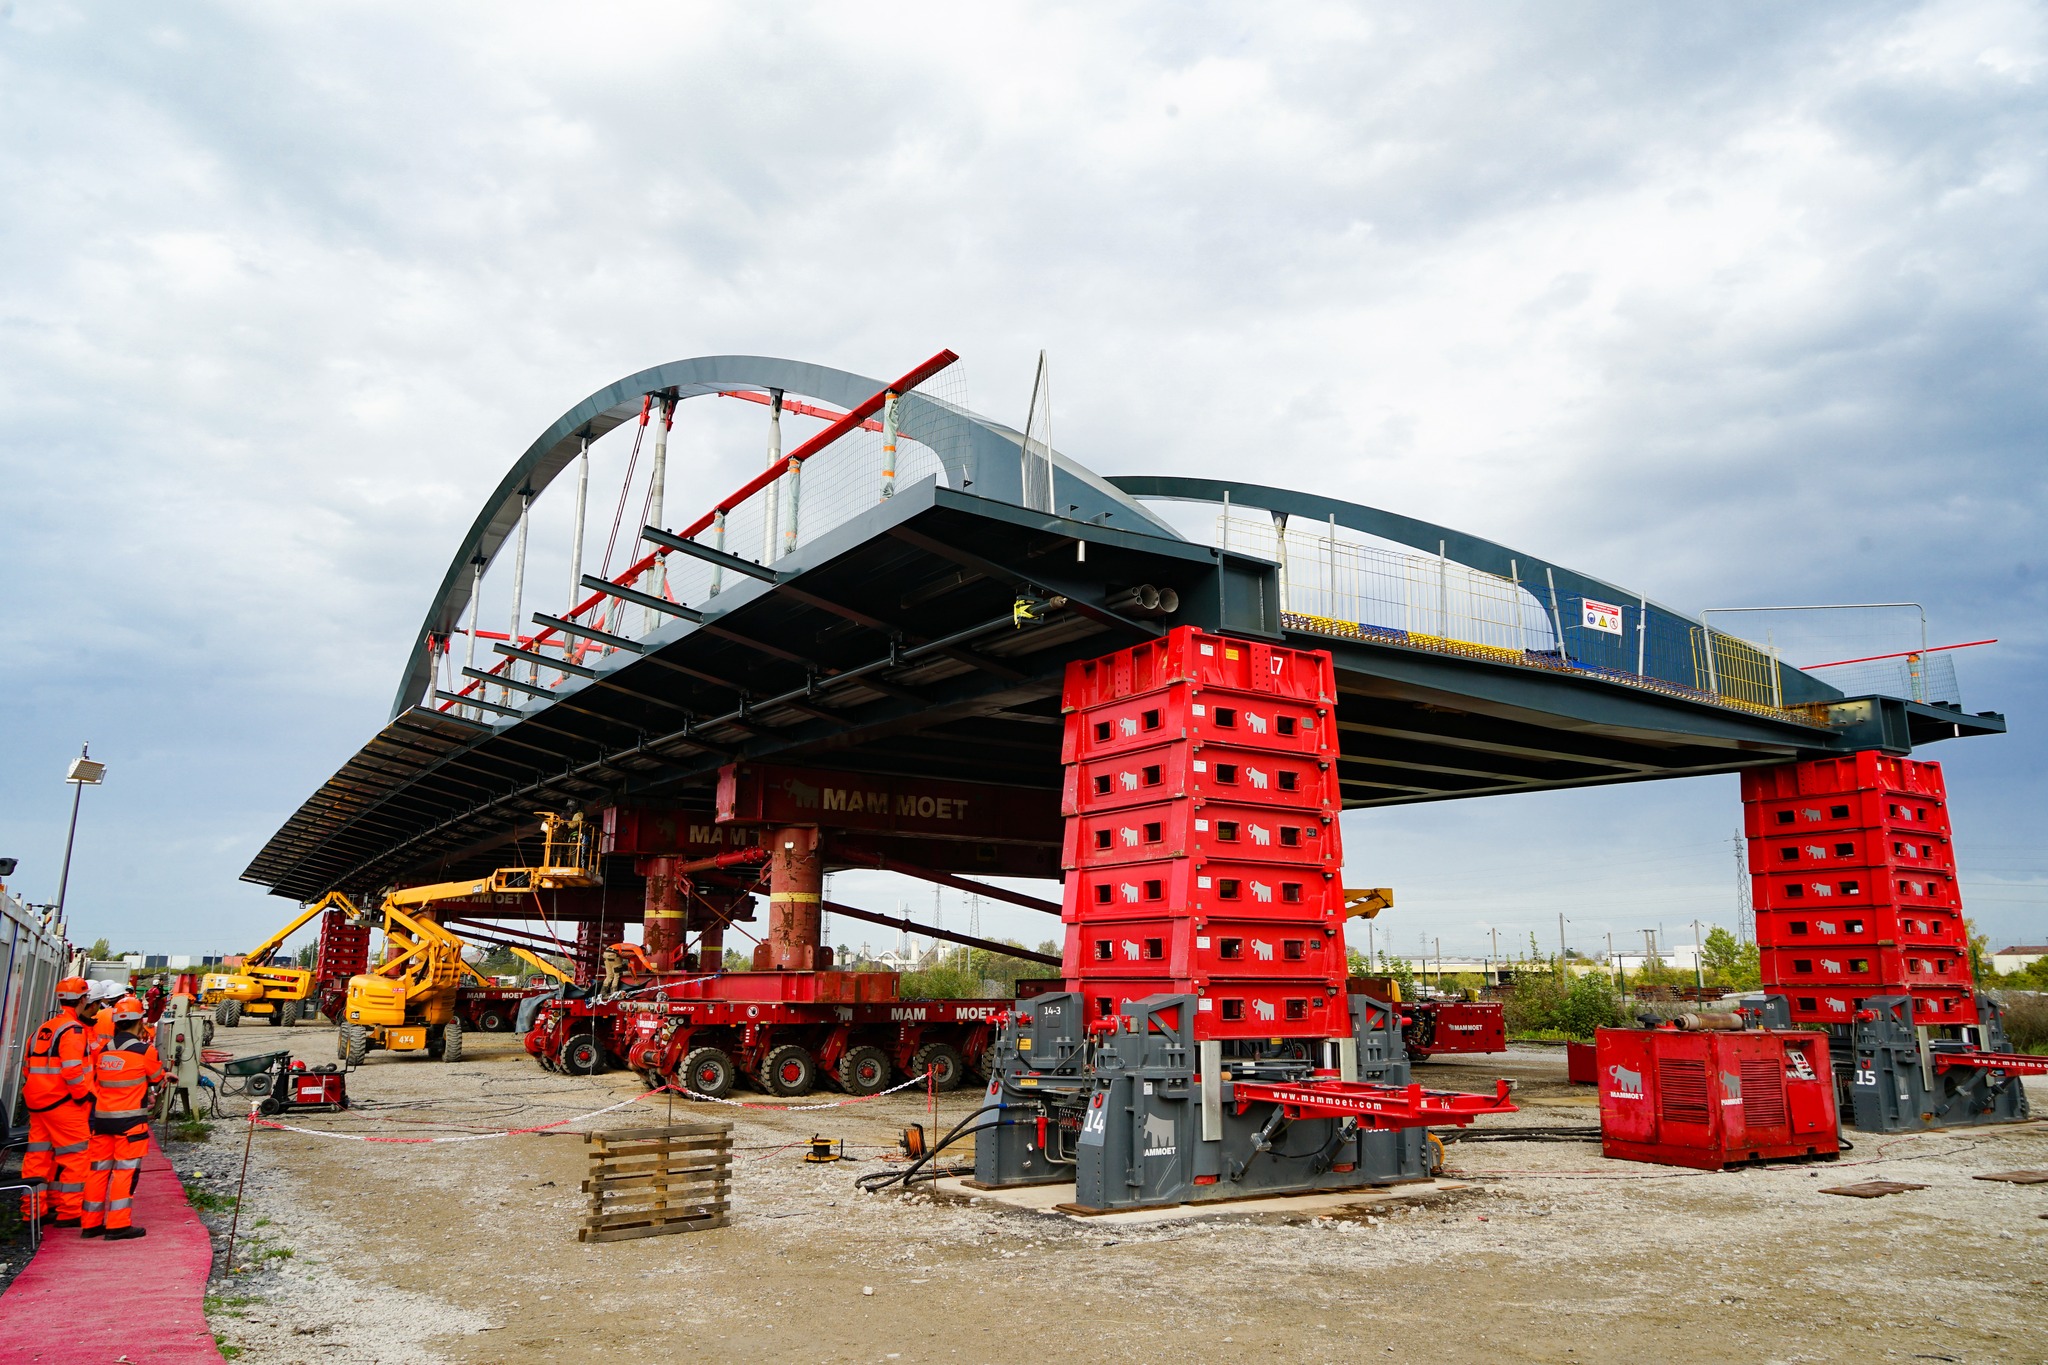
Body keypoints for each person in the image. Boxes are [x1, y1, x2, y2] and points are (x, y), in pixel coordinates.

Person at [80, 995, 163, 1240]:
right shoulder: (145, 1051)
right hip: (130, 1123)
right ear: (140, 1022)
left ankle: (91, 1224)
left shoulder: (105, 1051)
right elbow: (157, 1078)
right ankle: (117, 1224)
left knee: (98, 1171)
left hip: (103, 1120)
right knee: (125, 1172)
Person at [19, 978, 98, 1227]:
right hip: (63, 1104)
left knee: (39, 1156)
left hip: (37, 1103)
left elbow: (27, 1068)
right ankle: (71, 1211)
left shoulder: (44, 1029)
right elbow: (73, 1070)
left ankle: (34, 1210)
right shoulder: (73, 1031)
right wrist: (83, 1097)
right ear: (84, 1000)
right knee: (76, 1156)